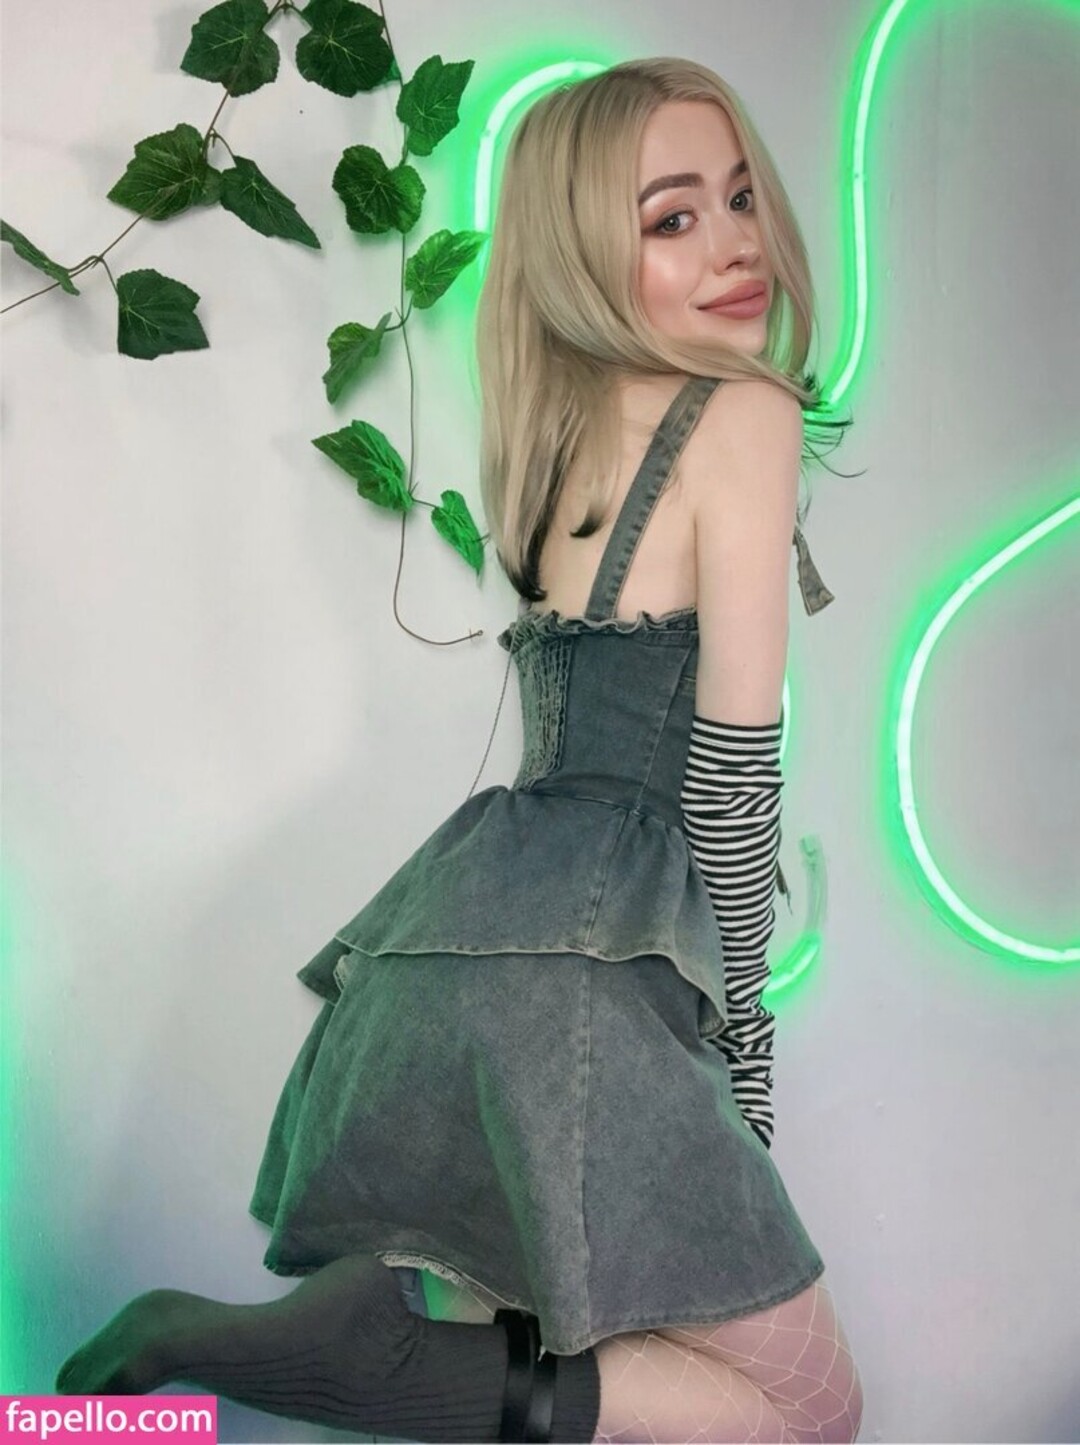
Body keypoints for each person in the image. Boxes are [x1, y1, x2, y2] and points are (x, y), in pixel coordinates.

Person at [56, 57, 865, 1444]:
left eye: (740, 198)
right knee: (814, 1410)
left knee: (613, 1356)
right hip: (586, 987)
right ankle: (358, 1359)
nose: (734, 244)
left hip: (459, 951)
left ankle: (352, 1347)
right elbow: (730, 776)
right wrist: (745, 1049)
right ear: (583, 250)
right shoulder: (744, 415)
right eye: (672, 218)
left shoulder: (555, 437)